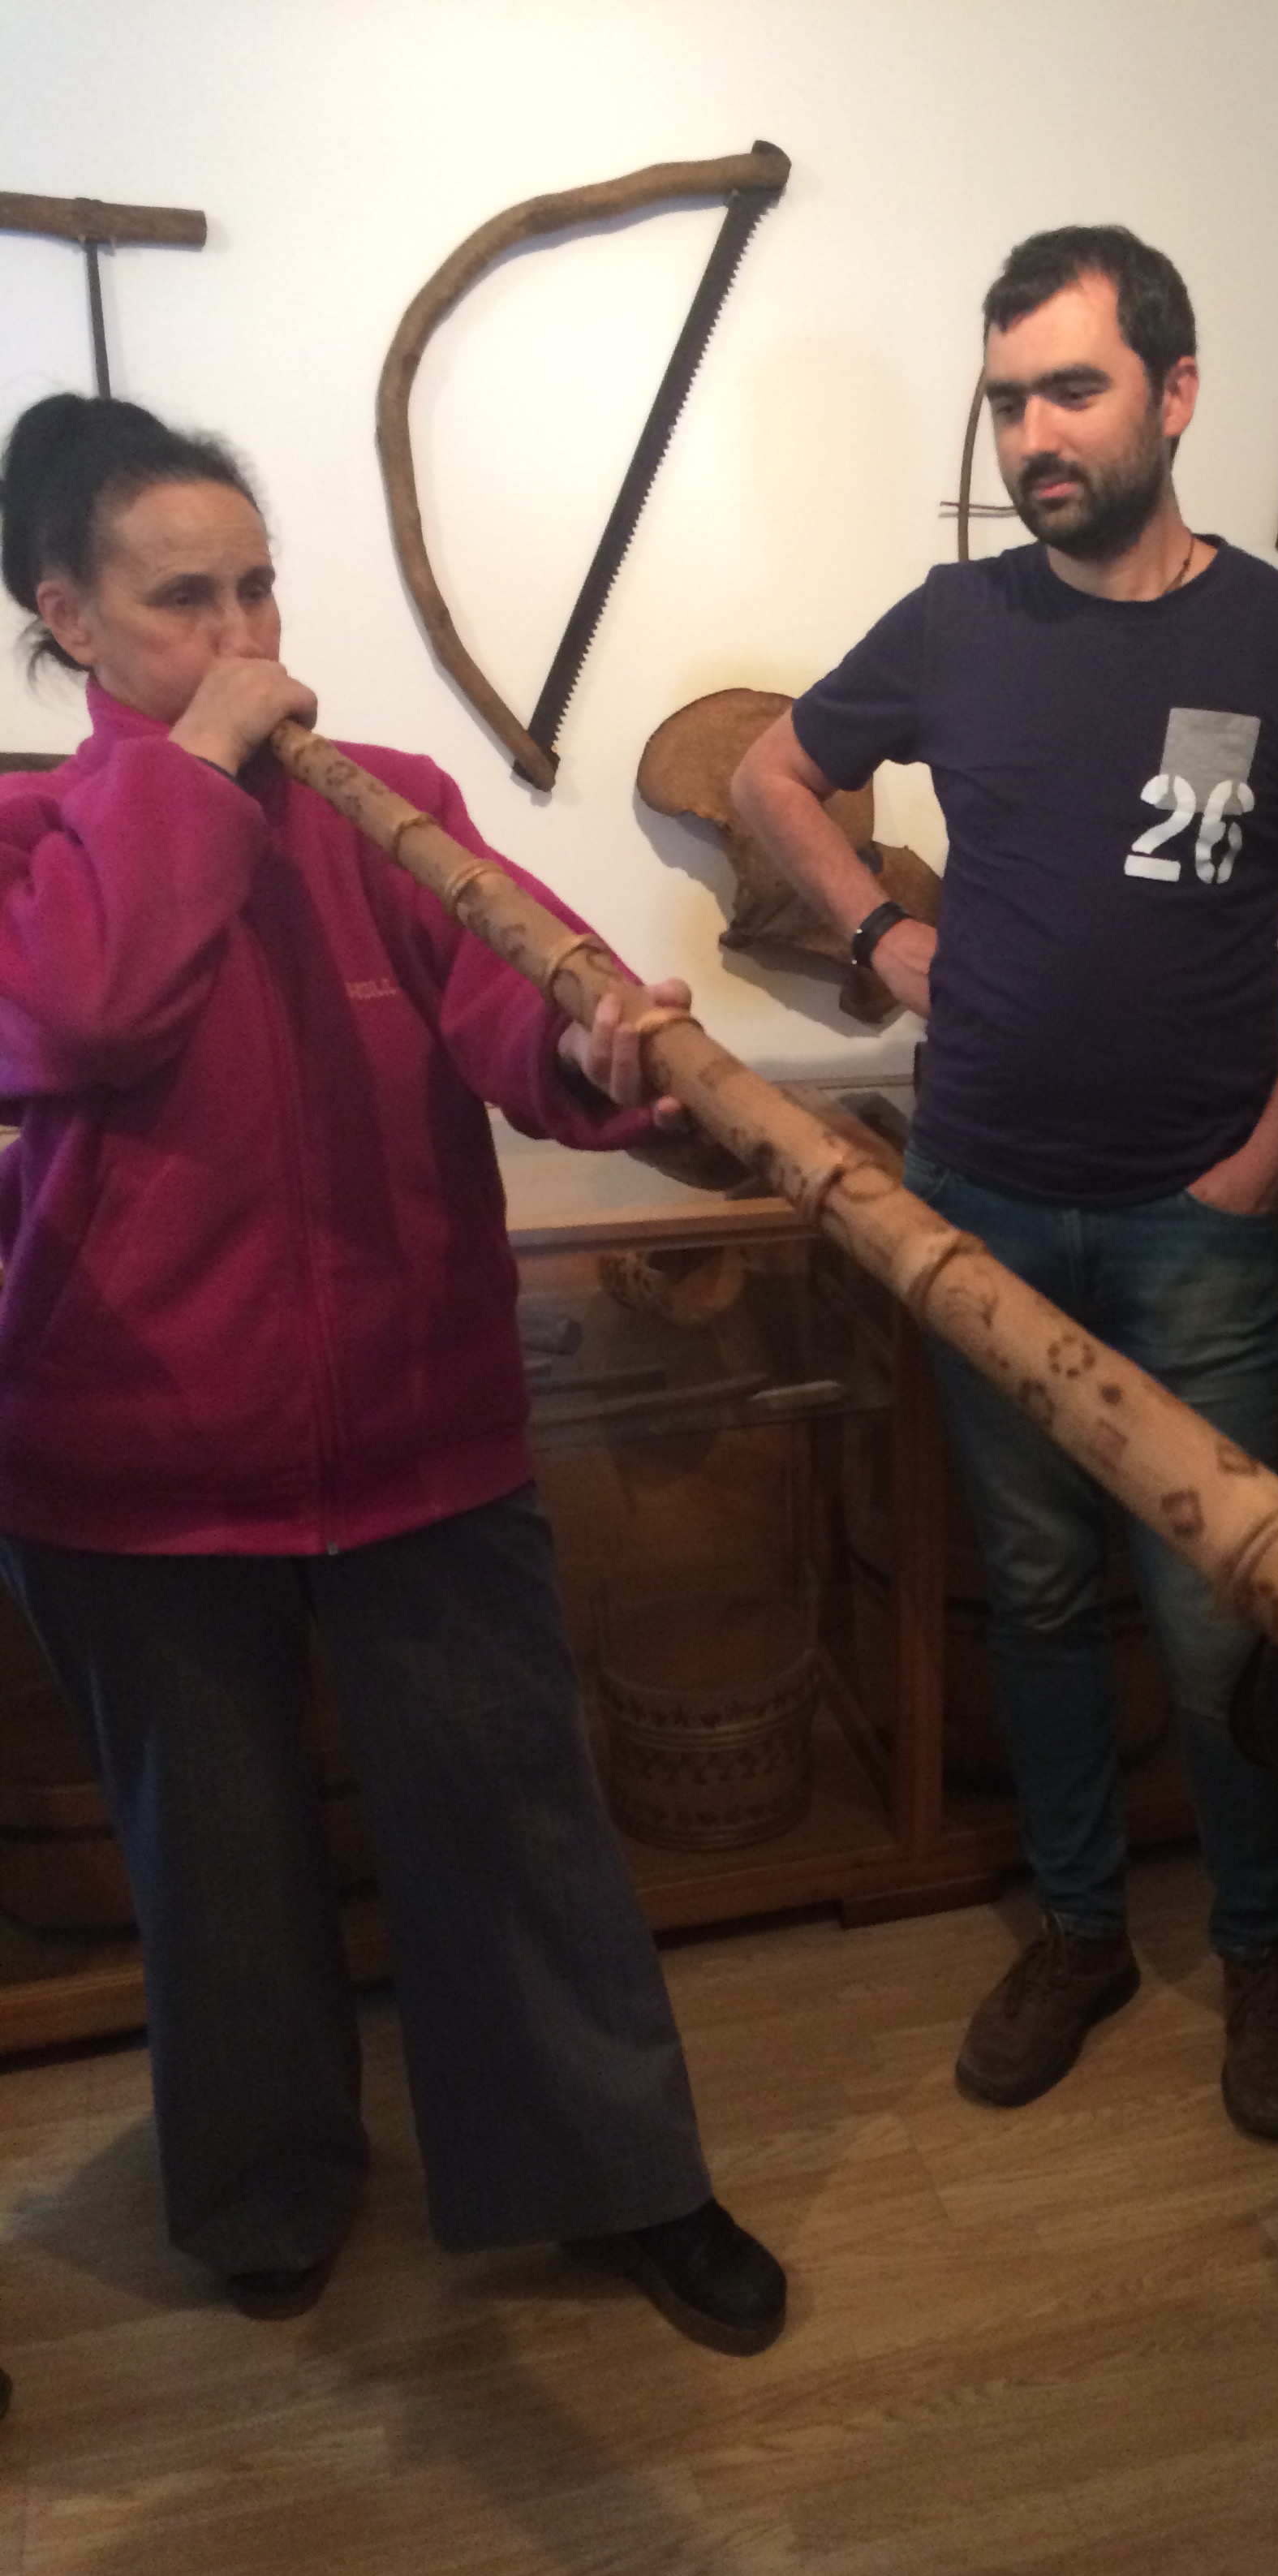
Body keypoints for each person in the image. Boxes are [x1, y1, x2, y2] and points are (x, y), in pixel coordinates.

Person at [0, 393, 785, 2350]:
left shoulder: (392, 802)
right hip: (134, 1466)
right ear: (67, 621)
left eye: (259, 588)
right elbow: (83, 1010)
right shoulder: (31, 838)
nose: (247, 637)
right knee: (220, 1871)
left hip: (426, 1433)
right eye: (184, 601)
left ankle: (617, 2178)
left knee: (520, 1827)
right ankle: (266, 2188)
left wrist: (592, 1047)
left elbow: (520, 1003)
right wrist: (196, 764)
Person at [732, 225, 1278, 2139]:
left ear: (1174, 396)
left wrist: (1267, 1160)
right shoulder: (955, 624)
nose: (1035, 433)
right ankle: (1086, 1929)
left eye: (1072, 390)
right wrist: (881, 934)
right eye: (1009, 399)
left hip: (1201, 1225)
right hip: (982, 1211)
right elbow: (771, 773)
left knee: (1220, 1611)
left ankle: (1260, 1947)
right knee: (1031, 1596)